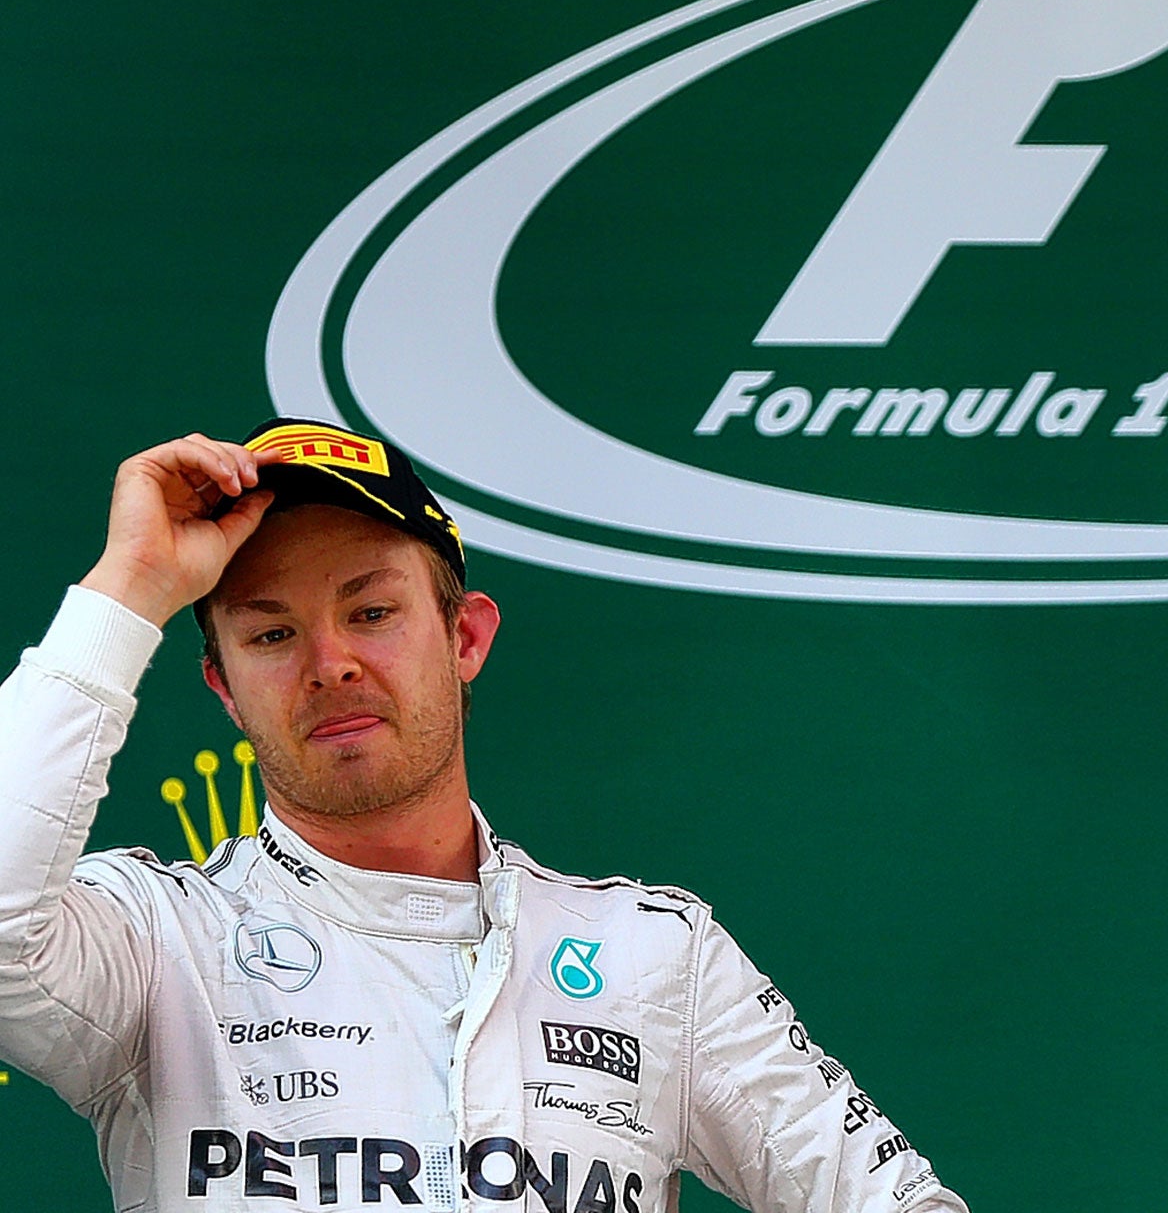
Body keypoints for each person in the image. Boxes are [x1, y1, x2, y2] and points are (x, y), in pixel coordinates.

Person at [0, 419, 968, 1213]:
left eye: (371, 612)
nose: (329, 661)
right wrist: (130, 586)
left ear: (465, 637)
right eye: (271, 632)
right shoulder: (156, 941)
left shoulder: (653, 956)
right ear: (222, 686)